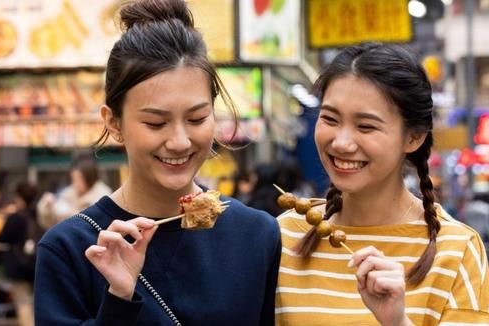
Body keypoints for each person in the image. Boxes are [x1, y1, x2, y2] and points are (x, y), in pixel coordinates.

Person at [34, 0, 281, 324]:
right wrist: (118, 299)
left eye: (196, 118)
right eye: (155, 123)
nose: (179, 141)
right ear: (113, 122)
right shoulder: (72, 248)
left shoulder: (256, 235)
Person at [276, 43, 489, 325]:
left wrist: (397, 321)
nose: (341, 142)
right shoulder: (282, 236)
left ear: (413, 137)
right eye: (329, 118)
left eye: (366, 126)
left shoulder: (457, 250)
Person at [0, 181, 43, 326]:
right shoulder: (40, 216)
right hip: (38, 264)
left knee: (23, 305)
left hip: (19, 268)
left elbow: (2, 237)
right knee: (39, 305)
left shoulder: (16, 218)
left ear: (19, 198)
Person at [36, 153, 112, 229]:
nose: (76, 183)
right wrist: (47, 207)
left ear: (89, 178)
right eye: (73, 179)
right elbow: (49, 224)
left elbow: (100, 225)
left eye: (79, 178)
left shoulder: (103, 197)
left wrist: (72, 213)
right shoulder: (68, 194)